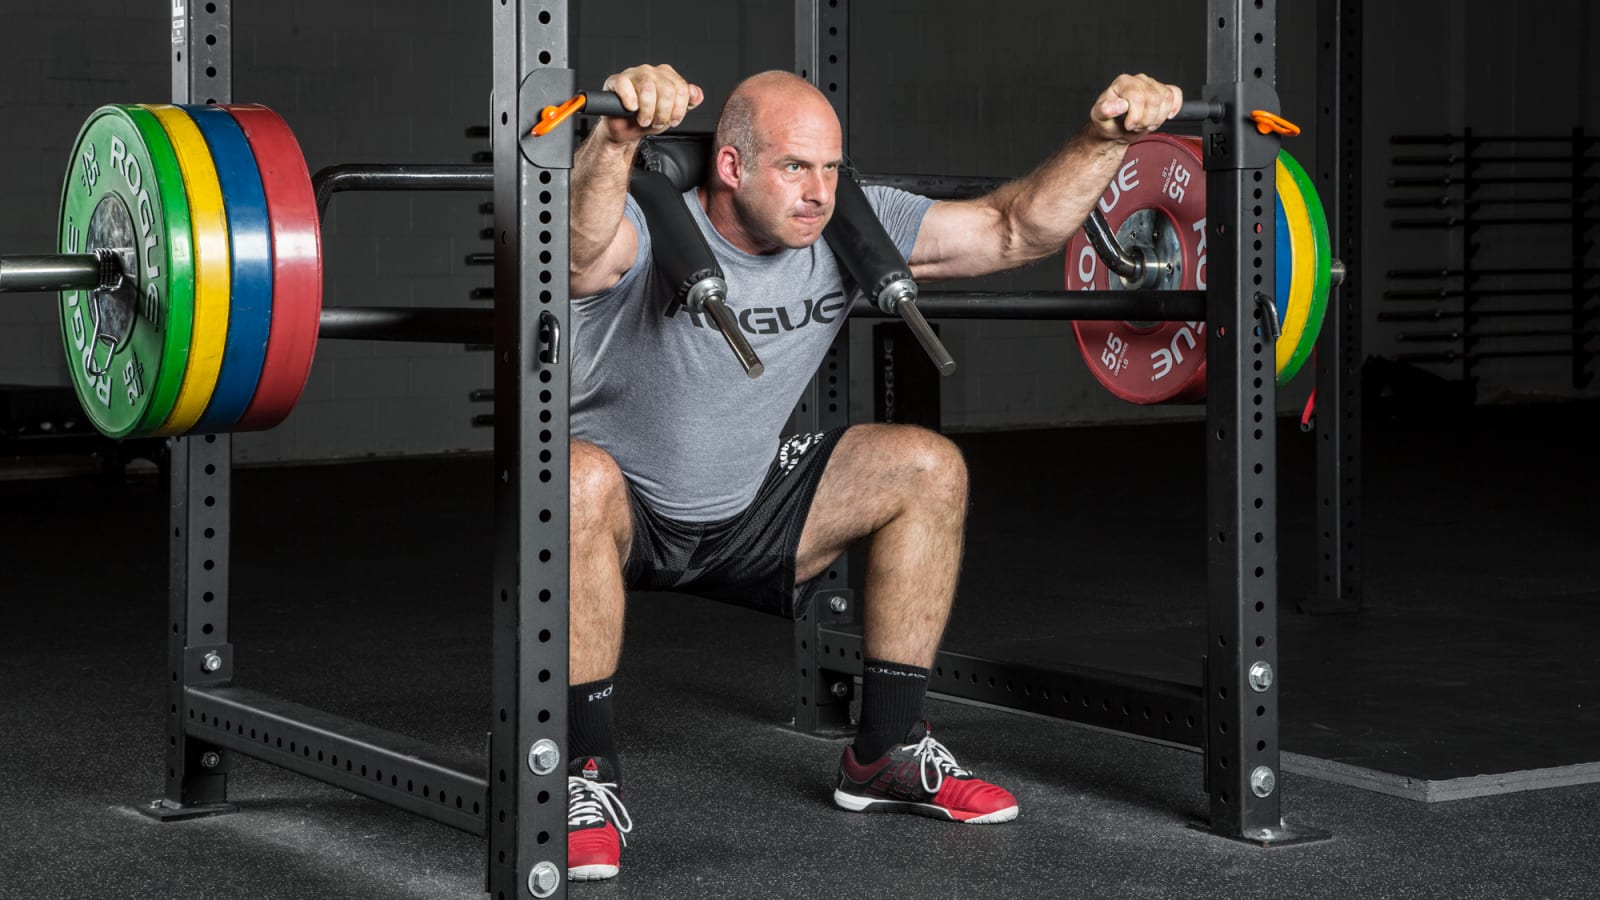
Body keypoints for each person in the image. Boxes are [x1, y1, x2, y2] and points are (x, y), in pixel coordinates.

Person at [562, 63, 1184, 881]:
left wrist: (1109, 140)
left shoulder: (849, 227)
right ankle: (580, 777)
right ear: (732, 165)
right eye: (794, 167)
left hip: (749, 504)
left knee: (925, 466)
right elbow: (572, 255)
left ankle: (887, 748)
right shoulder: (652, 226)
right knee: (571, 478)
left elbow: (1013, 229)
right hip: (620, 510)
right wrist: (614, 138)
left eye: (829, 167)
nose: (817, 191)